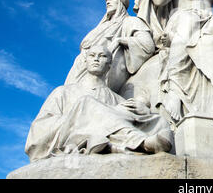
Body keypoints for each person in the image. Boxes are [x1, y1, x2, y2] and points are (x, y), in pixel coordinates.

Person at [25, 45, 173, 162]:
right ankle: (139, 142)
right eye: (92, 55)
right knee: (87, 104)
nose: (96, 59)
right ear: (86, 61)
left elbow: (134, 119)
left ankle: (117, 146)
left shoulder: (117, 99)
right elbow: (38, 129)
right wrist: (82, 116)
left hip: (105, 136)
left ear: (109, 65)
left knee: (158, 120)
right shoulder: (63, 92)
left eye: (102, 56)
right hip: (69, 137)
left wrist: (142, 111)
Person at [65, 0, 155, 94]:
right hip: (80, 67)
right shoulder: (101, 26)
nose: (108, 1)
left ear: (121, 1)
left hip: (106, 68)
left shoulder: (131, 21)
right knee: (66, 96)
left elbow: (147, 44)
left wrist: (119, 40)